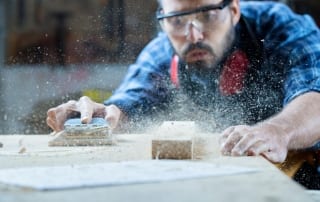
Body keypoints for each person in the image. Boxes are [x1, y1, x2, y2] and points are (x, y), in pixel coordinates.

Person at [47, 0, 320, 165]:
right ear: (163, 21)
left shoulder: (280, 26)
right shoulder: (162, 50)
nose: (194, 35)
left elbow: (315, 94)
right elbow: (129, 101)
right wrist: (103, 115)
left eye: (207, 14)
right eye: (177, 20)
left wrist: (277, 131)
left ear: (234, 10)